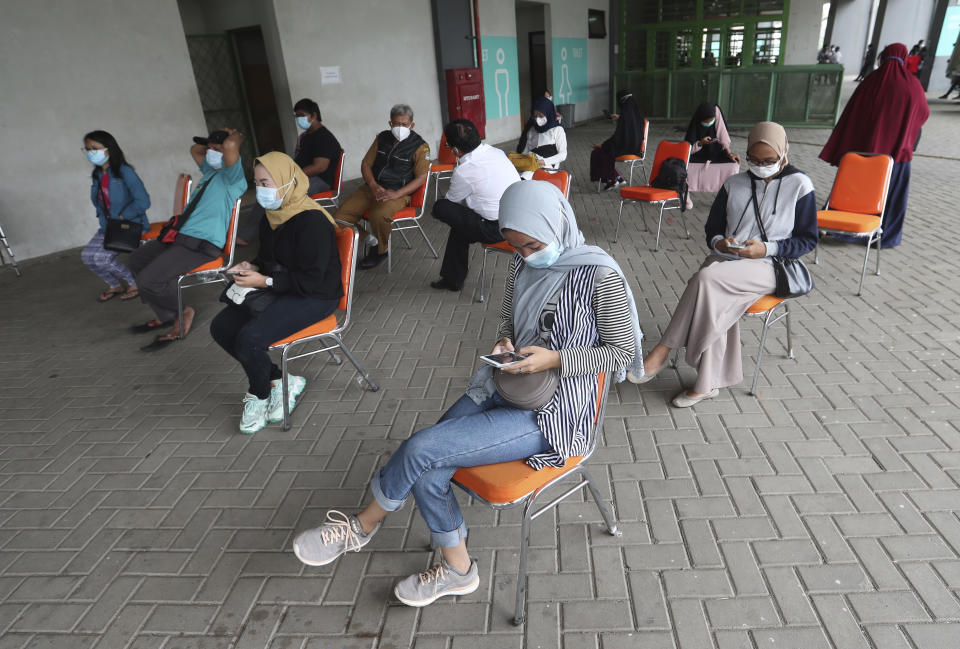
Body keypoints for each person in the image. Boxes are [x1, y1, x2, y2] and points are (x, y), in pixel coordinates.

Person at [291, 179, 644, 608]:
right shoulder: (520, 265)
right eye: (518, 247)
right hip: (506, 380)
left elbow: (621, 352)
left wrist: (553, 360)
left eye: (533, 245)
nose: (528, 256)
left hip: (554, 413)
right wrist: (504, 344)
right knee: (428, 466)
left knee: (421, 449)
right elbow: (507, 322)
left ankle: (362, 526)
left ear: (557, 224)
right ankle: (458, 569)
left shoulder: (599, 275)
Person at [630, 122, 817, 408]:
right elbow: (712, 229)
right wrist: (720, 242)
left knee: (705, 279)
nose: (761, 166)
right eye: (754, 160)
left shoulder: (800, 185)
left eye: (769, 161)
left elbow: (807, 240)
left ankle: (662, 350)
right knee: (712, 291)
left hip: (771, 264)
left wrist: (767, 248)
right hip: (727, 260)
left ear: (784, 152)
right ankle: (706, 384)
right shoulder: (734, 183)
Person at [210, 152, 342, 434]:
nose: (261, 190)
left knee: (250, 338)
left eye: (267, 182)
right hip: (283, 287)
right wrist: (251, 266)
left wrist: (264, 282)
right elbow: (267, 259)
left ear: (288, 181)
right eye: (257, 182)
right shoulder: (271, 217)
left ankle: (259, 395)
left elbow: (313, 278)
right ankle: (280, 380)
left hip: (316, 295)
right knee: (221, 327)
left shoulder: (312, 221)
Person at [126, 128, 247, 350]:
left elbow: (230, 147)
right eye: (209, 149)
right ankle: (165, 314)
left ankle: (182, 312)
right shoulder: (211, 172)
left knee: (148, 281)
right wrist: (213, 145)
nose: (210, 152)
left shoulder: (234, 178)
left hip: (201, 245)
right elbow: (195, 148)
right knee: (136, 261)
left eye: (216, 149)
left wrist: (235, 137)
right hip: (180, 238)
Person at [819, 43, 929, 248]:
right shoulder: (912, 84)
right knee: (891, 195)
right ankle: (884, 236)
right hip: (896, 155)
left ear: (884, 58)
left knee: (853, 192)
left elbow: (852, 113)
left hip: (863, 153)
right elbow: (923, 113)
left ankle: (845, 231)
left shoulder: (870, 81)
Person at [333, 104, 430, 270]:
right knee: (337, 218)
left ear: (412, 125)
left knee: (378, 215)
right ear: (390, 123)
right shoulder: (382, 138)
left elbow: (421, 178)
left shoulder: (420, 146)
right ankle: (371, 240)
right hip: (371, 188)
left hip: (397, 192)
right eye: (396, 124)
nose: (400, 128)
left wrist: (397, 194)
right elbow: (366, 164)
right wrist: (372, 185)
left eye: (404, 124)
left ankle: (380, 251)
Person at [428, 119, 520, 292]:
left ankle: (453, 279)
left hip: (497, 229)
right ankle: (452, 279)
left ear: (455, 150)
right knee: (461, 224)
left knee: (441, 207)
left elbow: (451, 202)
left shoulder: (464, 171)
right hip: (517, 218)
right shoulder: (496, 151)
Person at [237, 99, 343, 246]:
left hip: (321, 180)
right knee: (270, 190)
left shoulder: (323, 137)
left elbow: (320, 167)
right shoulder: (307, 136)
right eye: (296, 115)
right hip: (306, 177)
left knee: (277, 193)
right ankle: (273, 233)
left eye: (301, 115)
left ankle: (247, 235)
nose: (299, 119)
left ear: (313, 115)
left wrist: (291, 177)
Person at [80, 130, 150, 302]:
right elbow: (99, 202)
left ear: (108, 149)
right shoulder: (98, 174)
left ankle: (134, 282)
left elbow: (143, 201)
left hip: (128, 225)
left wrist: (122, 215)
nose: (90, 153)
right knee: (87, 257)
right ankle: (114, 285)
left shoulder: (125, 172)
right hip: (108, 226)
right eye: (87, 149)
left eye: (94, 148)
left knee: (101, 258)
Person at [683, 102, 741, 209]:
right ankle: (685, 195)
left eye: (711, 120)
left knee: (733, 166)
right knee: (684, 166)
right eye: (706, 121)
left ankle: (725, 197)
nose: (709, 123)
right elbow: (687, 148)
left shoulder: (716, 114)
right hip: (697, 154)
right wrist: (700, 143)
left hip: (716, 153)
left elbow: (723, 137)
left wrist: (729, 154)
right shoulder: (695, 126)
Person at [589, 89, 646, 191]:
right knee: (602, 152)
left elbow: (619, 138)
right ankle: (616, 178)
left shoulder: (626, 117)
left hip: (628, 148)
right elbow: (628, 125)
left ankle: (613, 179)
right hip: (634, 146)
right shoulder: (634, 115)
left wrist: (603, 145)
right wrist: (620, 117)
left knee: (600, 152)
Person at [516, 96, 567, 180]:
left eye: (540, 115)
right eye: (535, 115)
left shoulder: (557, 130)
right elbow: (525, 151)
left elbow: (563, 155)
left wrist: (542, 162)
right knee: (519, 178)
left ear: (548, 112)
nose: (537, 118)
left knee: (526, 178)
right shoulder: (532, 130)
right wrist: (519, 159)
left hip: (548, 168)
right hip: (531, 166)